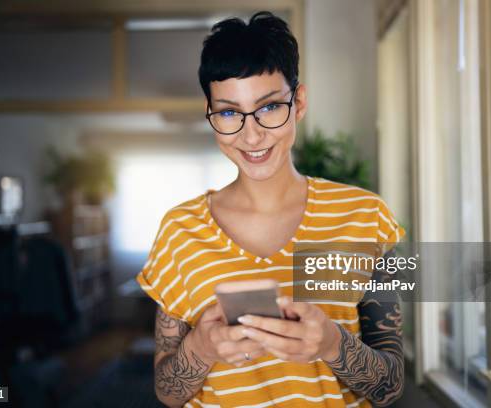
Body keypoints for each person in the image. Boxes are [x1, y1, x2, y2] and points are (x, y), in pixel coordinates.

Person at [136, 11, 405, 407]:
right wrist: (201, 349)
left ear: (299, 102)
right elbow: (168, 393)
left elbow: (392, 386)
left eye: (269, 107)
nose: (251, 133)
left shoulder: (367, 217)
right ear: (210, 115)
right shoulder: (180, 230)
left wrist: (332, 344)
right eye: (228, 112)